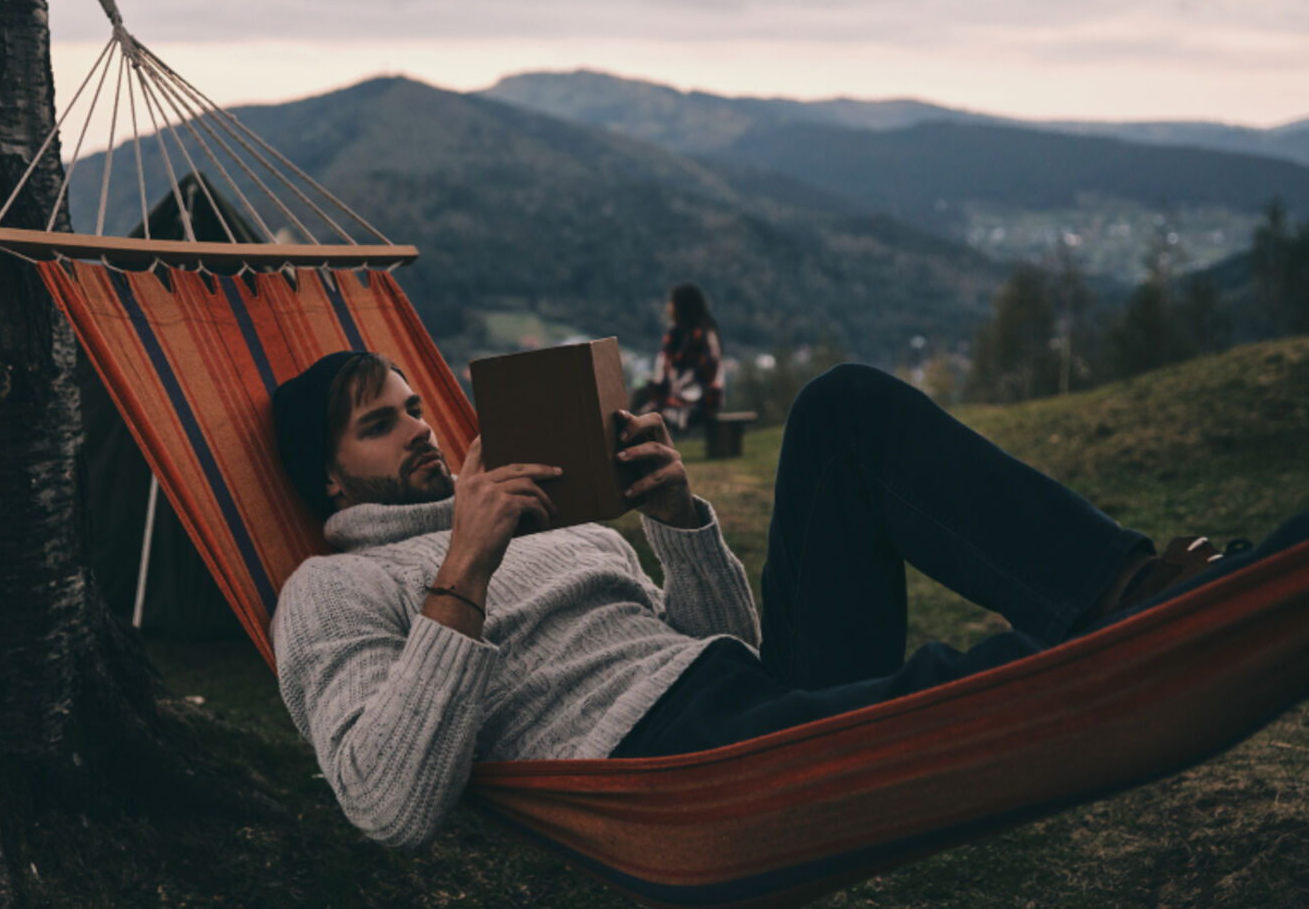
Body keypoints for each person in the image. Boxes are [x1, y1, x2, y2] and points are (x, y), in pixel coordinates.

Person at [269, 351, 1217, 850]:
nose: (418, 431)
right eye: (379, 426)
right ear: (332, 483)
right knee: (945, 695)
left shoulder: (551, 521)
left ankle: (1125, 594)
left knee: (842, 408)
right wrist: (465, 566)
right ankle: (1137, 649)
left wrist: (678, 520)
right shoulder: (332, 590)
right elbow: (386, 804)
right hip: (668, 780)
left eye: (416, 408)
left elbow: (718, 644)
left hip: (756, 707)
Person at [636, 282, 724, 433]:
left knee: (650, 414)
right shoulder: (674, 336)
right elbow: (663, 371)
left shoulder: (703, 336)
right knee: (639, 398)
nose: (668, 307)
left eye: (671, 302)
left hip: (700, 401)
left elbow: (706, 377)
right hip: (677, 396)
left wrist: (674, 393)